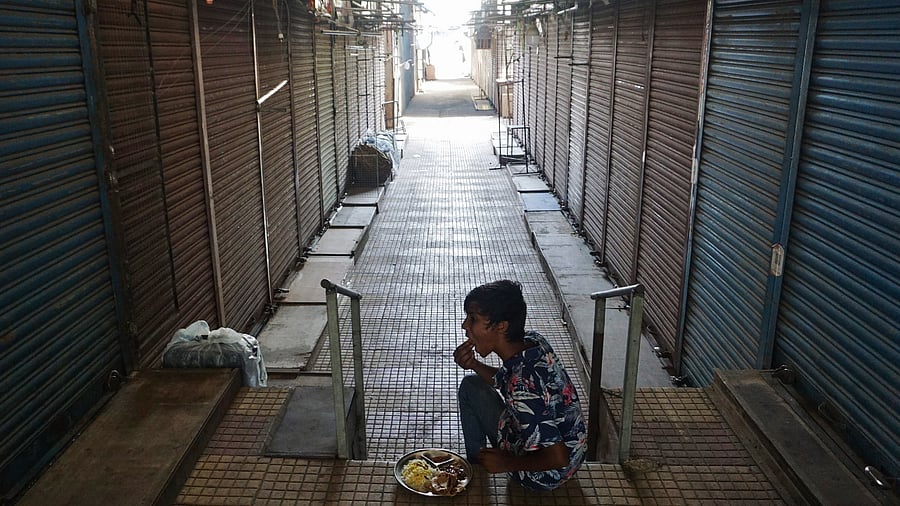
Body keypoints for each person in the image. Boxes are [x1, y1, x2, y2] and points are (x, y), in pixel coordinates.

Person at [453, 280, 586, 491]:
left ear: (501, 326)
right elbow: (507, 380)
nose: (465, 326)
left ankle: (477, 468)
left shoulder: (521, 387)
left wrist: (506, 463)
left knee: (470, 389)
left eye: (473, 319)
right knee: (473, 381)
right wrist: (474, 364)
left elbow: (557, 456)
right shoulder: (534, 342)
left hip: (544, 474)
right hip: (575, 456)